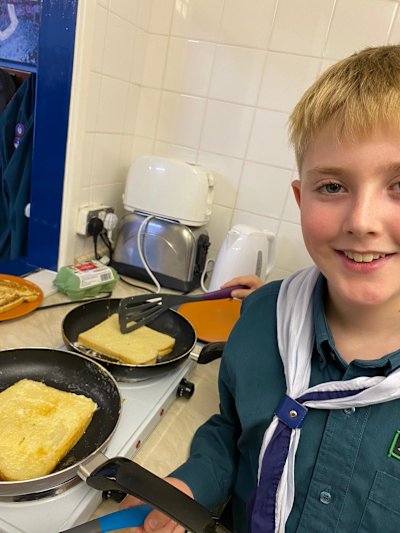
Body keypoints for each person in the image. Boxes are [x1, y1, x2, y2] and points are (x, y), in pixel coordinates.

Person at [121, 44, 400, 532]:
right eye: (332, 187)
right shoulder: (261, 321)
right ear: (300, 196)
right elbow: (235, 432)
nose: (361, 222)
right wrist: (192, 487)